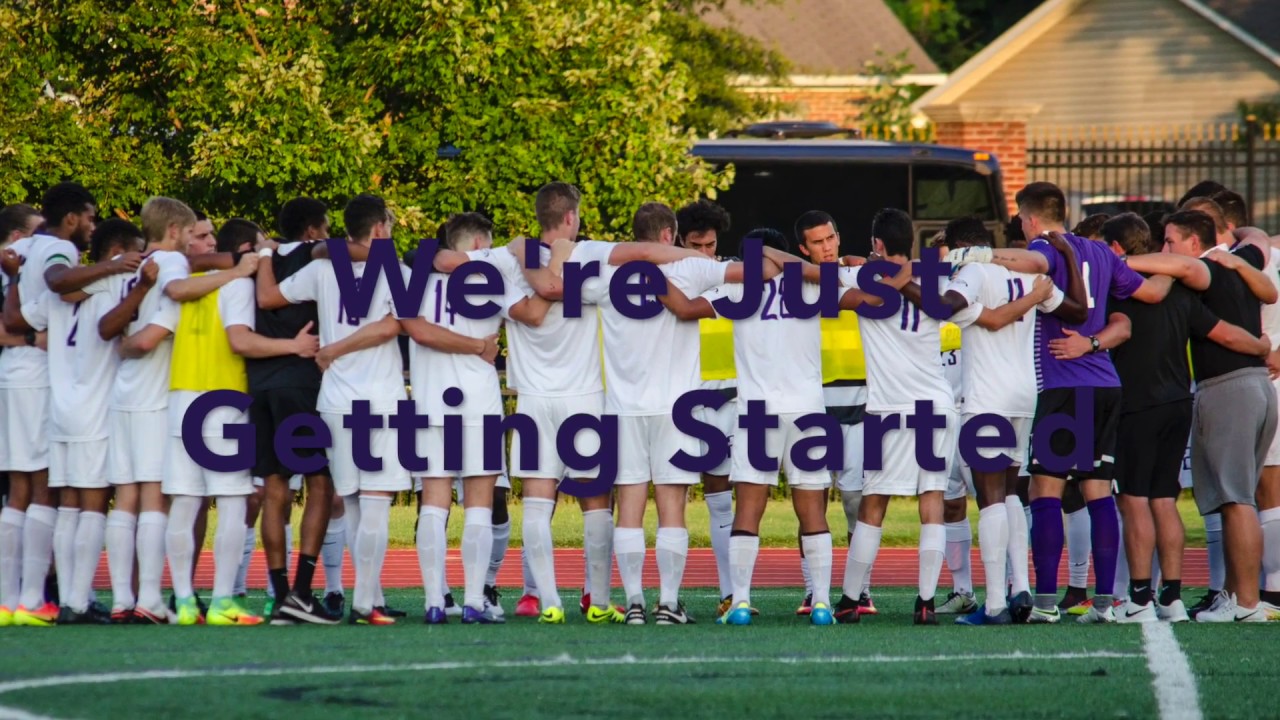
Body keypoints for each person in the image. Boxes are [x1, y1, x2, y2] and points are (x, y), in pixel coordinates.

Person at [948, 181, 1170, 624]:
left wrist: (980, 255)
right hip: (1106, 381)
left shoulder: (1044, 248)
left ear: (1029, 217)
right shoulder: (1104, 254)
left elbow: (1032, 261)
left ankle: (1045, 603)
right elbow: (1152, 293)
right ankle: (1104, 604)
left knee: (1044, 489)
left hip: (1063, 382)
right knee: (1097, 489)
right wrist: (1190, 265)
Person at [658, 227, 888, 626]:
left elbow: (684, 308)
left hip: (758, 410)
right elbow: (869, 298)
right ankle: (820, 603)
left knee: (748, 509)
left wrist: (650, 275)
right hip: (808, 410)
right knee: (812, 510)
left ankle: (742, 602)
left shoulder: (739, 286)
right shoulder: (812, 283)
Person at [1093, 213, 1270, 622]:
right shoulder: (1179, 291)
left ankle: (1139, 599)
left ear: (1116, 249)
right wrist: (1262, 347)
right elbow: (1223, 332)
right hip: (1177, 403)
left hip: (1137, 403)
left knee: (1134, 499)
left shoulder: (1114, 289)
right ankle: (1170, 597)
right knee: (1163, 500)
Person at [579, 202, 745, 625]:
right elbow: (754, 276)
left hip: (623, 407)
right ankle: (668, 603)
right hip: (676, 406)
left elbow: (557, 271)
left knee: (629, 507)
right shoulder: (692, 269)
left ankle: (634, 601)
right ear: (671, 235)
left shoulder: (602, 275)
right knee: (673, 507)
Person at [258, 194, 407, 626]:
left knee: (356, 501)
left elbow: (267, 298)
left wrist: (267, 252)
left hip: (336, 399)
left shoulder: (321, 268)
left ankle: (365, 595)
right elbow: (395, 324)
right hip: (378, 398)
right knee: (376, 501)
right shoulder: (392, 268)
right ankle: (365, 602)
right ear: (378, 228)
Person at [931, 216, 1079, 625]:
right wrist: (1046, 281)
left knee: (990, 496)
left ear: (960, 249)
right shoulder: (1020, 272)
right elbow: (1076, 310)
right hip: (1025, 396)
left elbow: (948, 307)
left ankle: (994, 604)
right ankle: (1023, 589)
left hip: (987, 397)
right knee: (1013, 493)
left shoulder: (973, 272)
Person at [840, 208, 959, 626]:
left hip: (888, 408)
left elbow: (819, 282)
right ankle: (925, 601)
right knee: (932, 502)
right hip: (936, 402)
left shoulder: (861, 279)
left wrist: (850, 264)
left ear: (876, 244)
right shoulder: (938, 278)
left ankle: (851, 599)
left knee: (874, 501)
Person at [0, 182, 110, 627]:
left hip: (14, 373)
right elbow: (57, 286)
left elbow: (12, 313)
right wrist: (113, 268)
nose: (92, 226)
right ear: (72, 218)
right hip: (38, 377)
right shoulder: (57, 251)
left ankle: (9, 601)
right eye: (90, 216)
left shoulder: (26, 249)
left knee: (19, 488)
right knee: (41, 486)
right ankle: (29, 599)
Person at [239, 200, 340, 625]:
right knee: (321, 483)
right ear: (316, 230)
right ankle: (301, 592)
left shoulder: (258, 258)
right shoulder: (319, 255)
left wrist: (263, 251)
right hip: (301, 379)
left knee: (275, 484)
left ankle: (280, 595)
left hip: (259, 382)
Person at [405, 212, 508, 625]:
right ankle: (473, 601)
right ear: (482, 244)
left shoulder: (417, 280)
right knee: (479, 505)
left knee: (433, 501)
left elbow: (418, 330)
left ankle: (434, 601)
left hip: (430, 400)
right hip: (478, 401)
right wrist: (481, 346)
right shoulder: (494, 280)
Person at [792, 210, 877, 616]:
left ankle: (859, 588)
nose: (826, 247)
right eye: (816, 242)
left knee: (858, 500)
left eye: (830, 239)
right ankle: (814, 589)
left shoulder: (859, 274)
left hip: (864, 401)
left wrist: (859, 265)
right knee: (811, 500)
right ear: (802, 250)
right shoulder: (798, 282)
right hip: (813, 403)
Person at [675, 199, 738, 615]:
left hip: (722, 401)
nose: (704, 253)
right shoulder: (666, 277)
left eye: (709, 245)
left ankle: (730, 591)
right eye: (695, 245)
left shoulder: (731, 275)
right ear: (678, 241)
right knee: (669, 496)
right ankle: (663, 595)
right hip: (674, 398)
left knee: (720, 495)